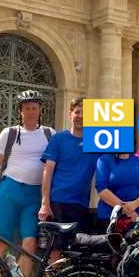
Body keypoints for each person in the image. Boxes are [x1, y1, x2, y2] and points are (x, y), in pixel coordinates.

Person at [0, 90, 53, 277]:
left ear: (40, 110)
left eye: (34, 108)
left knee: (29, 245)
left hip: (34, 195)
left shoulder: (49, 134)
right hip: (9, 192)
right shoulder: (9, 133)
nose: (31, 112)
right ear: (20, 111)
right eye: (26, 108)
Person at [39, 97, 99, 231]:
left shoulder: (97, 143)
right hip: (58, 201)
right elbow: (47, 172)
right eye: (77, 112)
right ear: (70, 114)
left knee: (77, 243)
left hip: (81, 204)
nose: (81, 116)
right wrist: (45, 203)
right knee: (57, 243)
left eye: (85, 113)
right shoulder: (58, 139)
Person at [94, 152, 139, 234]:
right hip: (109, 218)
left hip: (136, 218)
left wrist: (136, 204)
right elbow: (102, 189)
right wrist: (128, 211)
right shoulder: (104, 160)